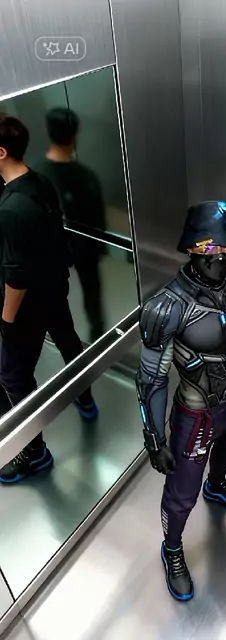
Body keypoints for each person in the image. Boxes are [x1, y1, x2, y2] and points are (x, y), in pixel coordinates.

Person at [136, 201, 226, 602]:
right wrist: (155, 440)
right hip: (195, 412)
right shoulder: (166, 308)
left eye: (225, 249)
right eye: (208, 249)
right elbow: (151, 379)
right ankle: (172, 548)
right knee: (182, 493)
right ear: (191, 248)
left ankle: (217, 484)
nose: (217, 258)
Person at [0, 113, 98, 484]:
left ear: (1, 152)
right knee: (68, 340)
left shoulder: (11, 210)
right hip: (55, 287)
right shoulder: (39, 181)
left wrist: (7, 320)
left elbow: (16, 277)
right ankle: (85, 398)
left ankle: (34, 452)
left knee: (13, 375)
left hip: (29, 304)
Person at [35, 107, 106, 343]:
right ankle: (97, 334)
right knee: (91, 290)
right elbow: (97, 219)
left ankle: (58, 335)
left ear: (48, 132)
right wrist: (100, 249)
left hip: (50, 249)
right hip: (84, 246)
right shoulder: (86, 177)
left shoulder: (35, 175)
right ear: (75, 136)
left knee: (53, 294)